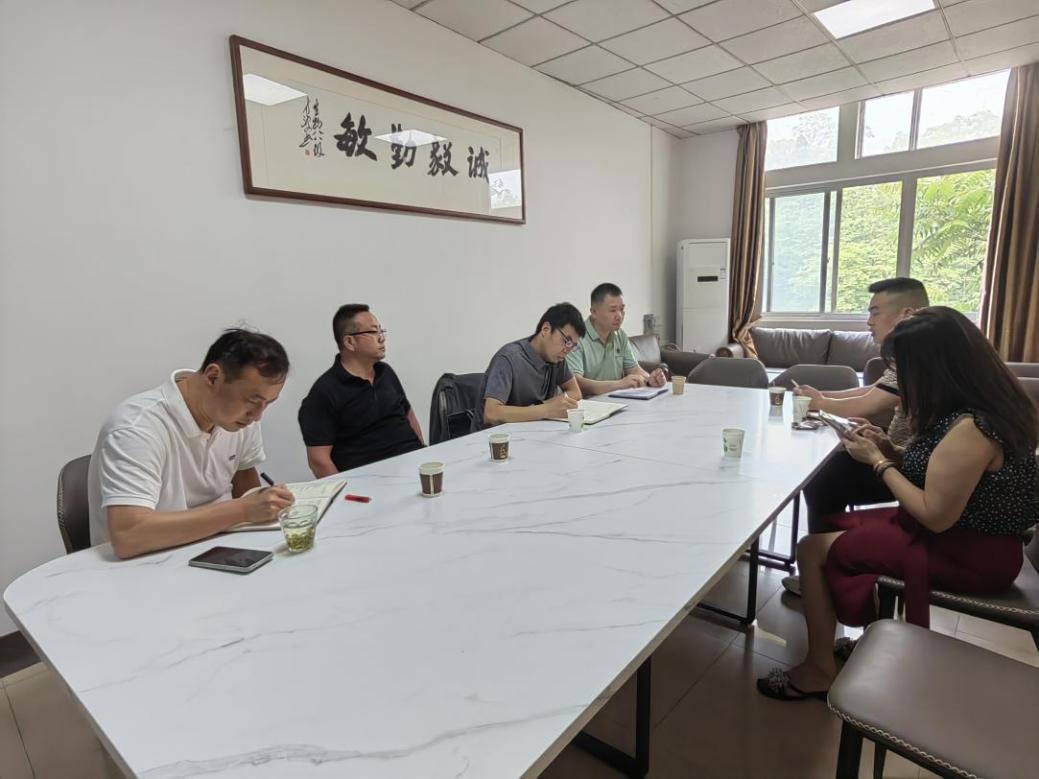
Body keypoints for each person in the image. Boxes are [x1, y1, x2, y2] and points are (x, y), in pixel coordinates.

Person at [758, 307, 1038, 701]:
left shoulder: (972, 428)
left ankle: (819, 669)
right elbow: (944, 474)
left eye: (905, 370)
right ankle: (873, 638)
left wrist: (879, 462)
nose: (903, 381)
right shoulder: (985, 410)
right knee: (838, 523)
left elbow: (934, 515)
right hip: (968, 535)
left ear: (936, 368)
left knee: (812, 548)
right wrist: (891, 448)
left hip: (969, 553)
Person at [88, 329, 294, 559]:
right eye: (252, 400)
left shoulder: (237, 420)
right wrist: (243, 510)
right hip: (144, 562)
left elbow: (245, 484)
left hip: (219, 546)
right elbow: (128, 535)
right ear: (213, 377)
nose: (257, 416)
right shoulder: (136, 427)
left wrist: (266, 505)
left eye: (268, 403)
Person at [783, 278, 929, 597]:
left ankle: (828, 568)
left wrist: (818, 402)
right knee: (828, 468)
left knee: (825, 477)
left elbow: (868, 404)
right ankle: (831, 561)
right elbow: (871, 391)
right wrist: (822, 396)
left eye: (875, 312)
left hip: (910, 468)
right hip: (899, 453)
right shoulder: (910, 354)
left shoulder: (921, 356)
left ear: (907, 315)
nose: (869, 322)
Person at [298, 304, 424, 477]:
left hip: (414, 465)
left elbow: (408, 414)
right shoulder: (324, 393)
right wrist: (345, 491)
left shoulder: (385, 372)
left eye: (381, 331)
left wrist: (423, 454)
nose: (381, 338)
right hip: (370, 479)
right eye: (373, 332)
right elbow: (318, 460)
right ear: (350, 342)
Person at [474, 303, 585, 430]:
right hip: (495, 437)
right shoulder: (509, 358)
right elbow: (491, 414)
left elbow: (575, 392)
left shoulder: (557, 358)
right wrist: (547, 410)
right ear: (546, 329)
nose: (567, 350)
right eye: (566, 341)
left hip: (531, 431)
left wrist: (542, 406)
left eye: (573, 346)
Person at [566, 283, 667, 396]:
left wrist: (650, 379)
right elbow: (576, 382)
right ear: (594, 312)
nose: (619, 315)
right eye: (613, 310)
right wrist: (619, 385)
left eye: (622, 309)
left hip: (617, 400)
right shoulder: (577, 338)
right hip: (590, 403)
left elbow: (634, 369)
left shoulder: (620, 335)